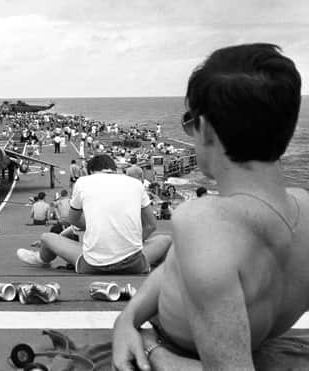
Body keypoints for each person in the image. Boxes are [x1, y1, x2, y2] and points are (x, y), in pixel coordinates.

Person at [112, 44, 309, 370]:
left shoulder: (204, 221)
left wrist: (151, 349)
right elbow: (179, 267)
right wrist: (127, 319)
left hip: (178, 351)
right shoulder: (303, 203)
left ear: (205, 128)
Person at [17, 154, 171, 274]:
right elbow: (151, 225)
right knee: (165, 239)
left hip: (92, 265)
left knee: (47, 238)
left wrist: (93, 224)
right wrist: (131, 242)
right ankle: (158, 262)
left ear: (90, 171)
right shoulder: (136, 184)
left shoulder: (83, 182)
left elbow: (72, 219)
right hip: (135, 264)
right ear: (114, 168)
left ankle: (41, 259)